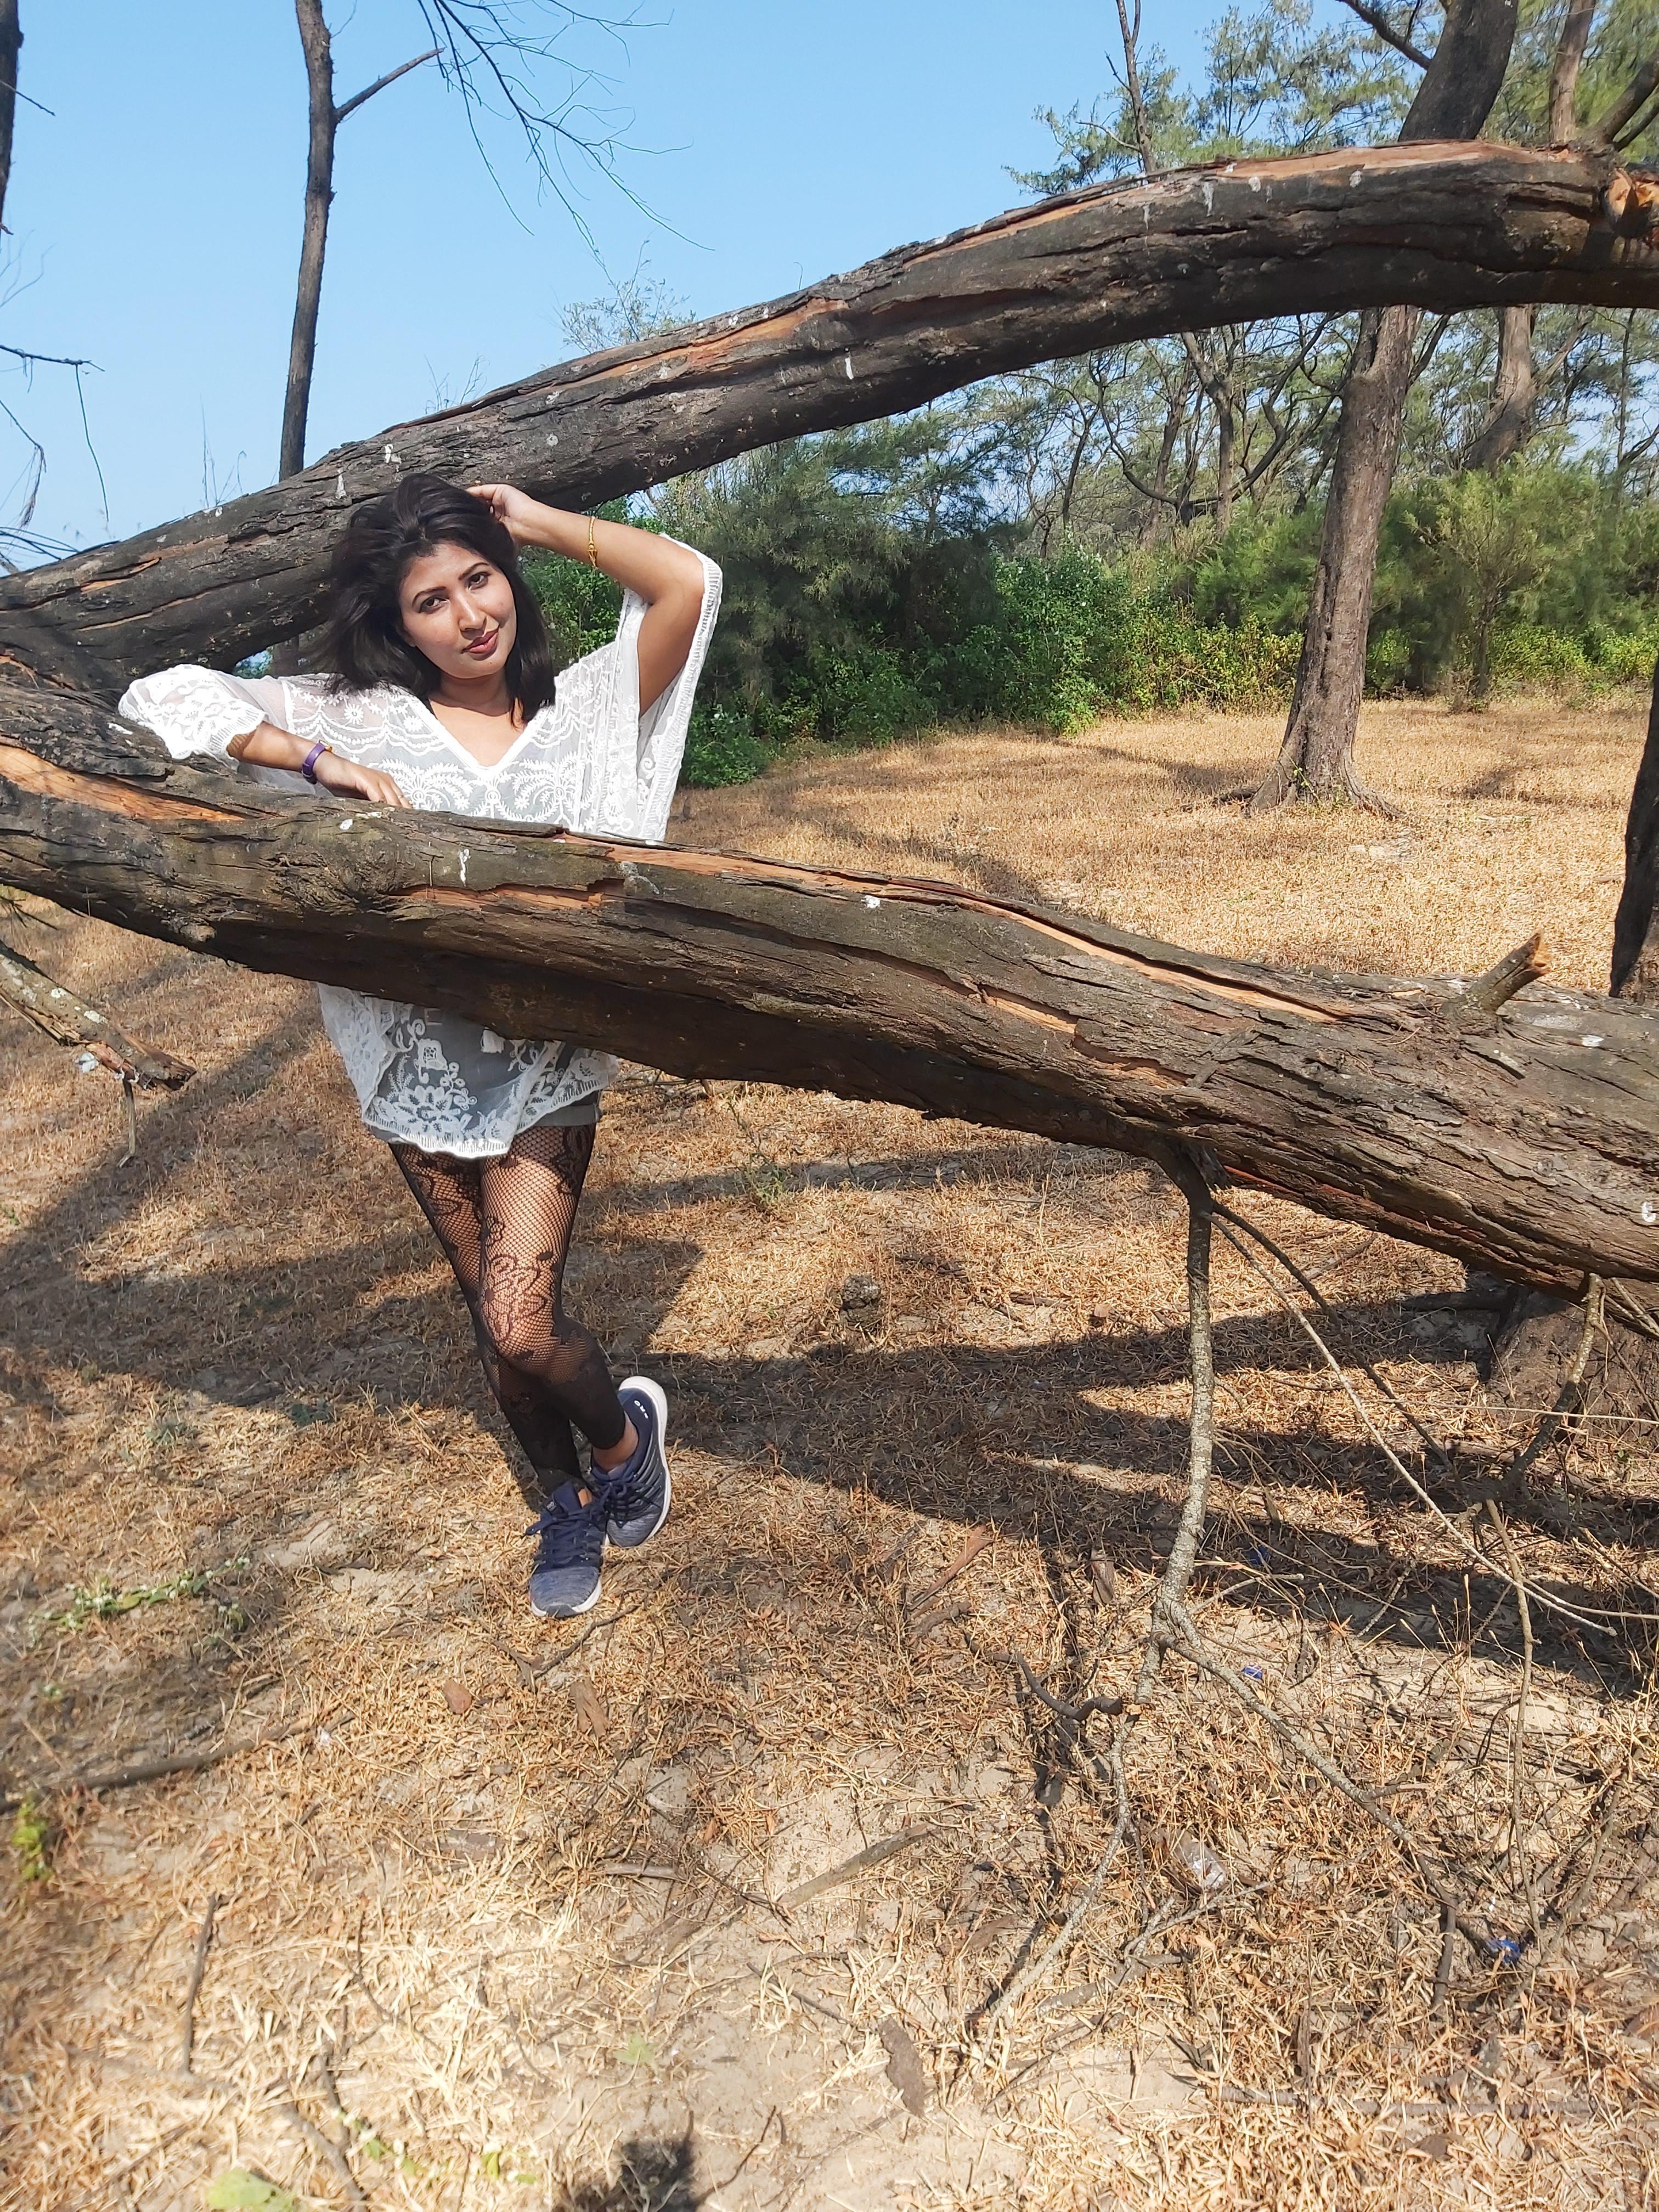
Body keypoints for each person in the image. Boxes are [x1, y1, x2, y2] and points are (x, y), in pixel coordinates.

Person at [120, 473, 721, 1621]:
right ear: (398, 625)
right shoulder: (359, 717)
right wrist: (313, 761)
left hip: (546, 1065)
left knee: (522, 1320)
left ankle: (622, 1443)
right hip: (416, 1072)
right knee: (487, 1316)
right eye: (431, 601)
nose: (468, 616)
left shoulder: (587, 711)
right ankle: (566, 1502)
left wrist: (537, 520)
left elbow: (686, 583)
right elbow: (157, 700)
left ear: (509, 578)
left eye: (480, 579)